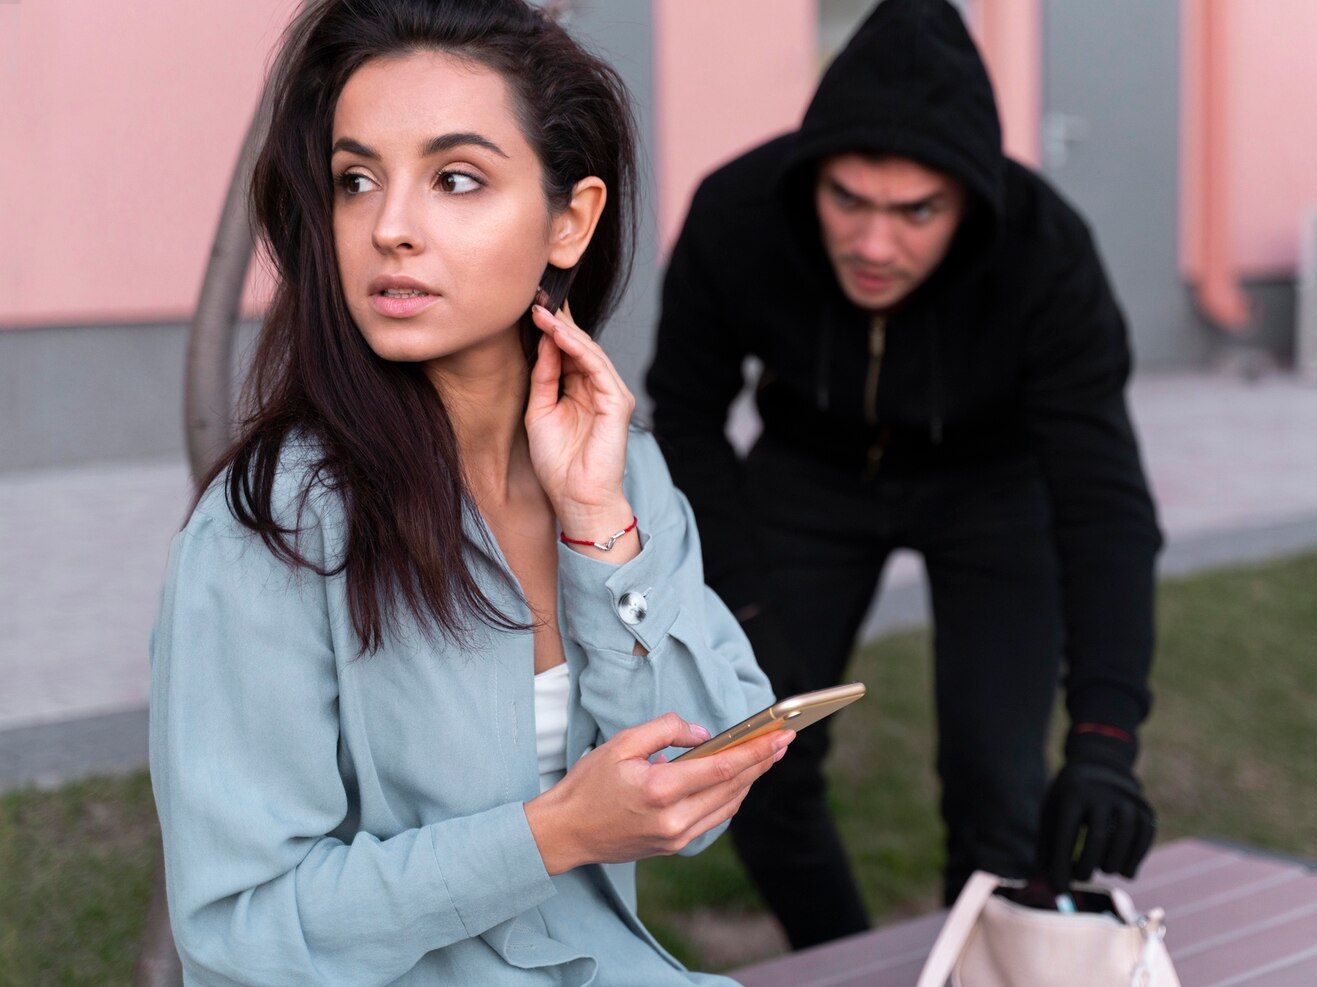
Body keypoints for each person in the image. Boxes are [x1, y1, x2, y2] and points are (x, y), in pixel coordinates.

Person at [147, 1, 786, 982]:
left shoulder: (622, 470)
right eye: (356, 180)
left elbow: (695, 796)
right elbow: (245, 924)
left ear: (569, 221)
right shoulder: (272, 528)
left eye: (454, 178)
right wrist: (552, 835)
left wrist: (598, 530)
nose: (389, 229)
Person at [645, 0, 1163, 950]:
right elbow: (683, 413)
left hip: (993, 483)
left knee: (997, 788)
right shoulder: (738, 212)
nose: (875, 244)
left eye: (916, 210)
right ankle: (841, 956)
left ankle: (974, 968)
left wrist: (1106, 734)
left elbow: (1105, 503)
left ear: (969, 197)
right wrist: (745, 602)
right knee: (754, 758)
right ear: (813, 177)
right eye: (849, 199)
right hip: (809, 468)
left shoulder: (1046, 253)